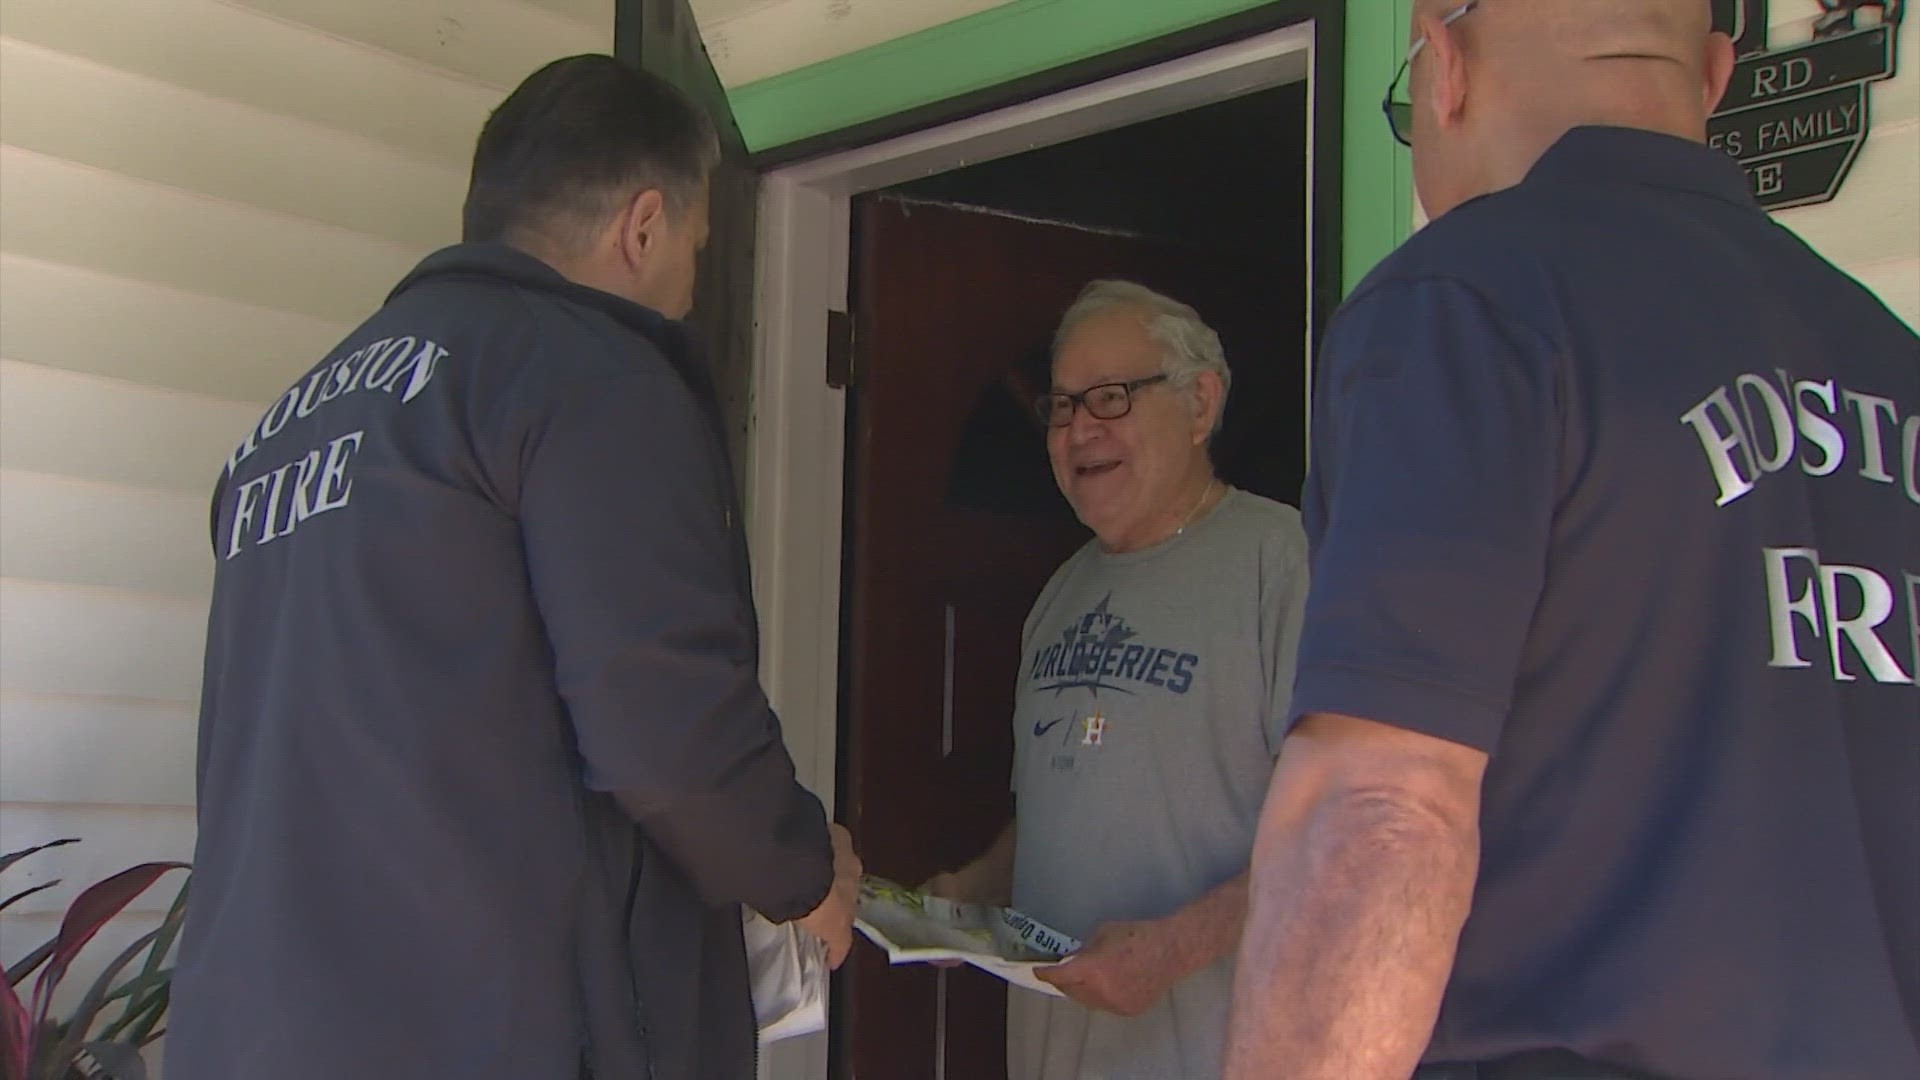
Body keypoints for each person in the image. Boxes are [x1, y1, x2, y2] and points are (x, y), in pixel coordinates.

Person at [1225, 2, 1920, 1078]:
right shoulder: (1890, 357)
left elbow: (1384, 804)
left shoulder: (1467, 303)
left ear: (1445, 64)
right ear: (1715, 76)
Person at [169, 55, 860, 1080]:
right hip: (489, 1030)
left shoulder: (283, 429)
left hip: (261, 1031)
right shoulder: (590, 373)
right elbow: (664, 728)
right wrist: (805, 871)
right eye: (697, 247)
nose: (686, 283)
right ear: (643, 225)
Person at [925, 280, 1310, 1080]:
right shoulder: (1058, 598)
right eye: (1062, 407)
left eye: (1110, 398)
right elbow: (1058, 810)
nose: (1079, 430)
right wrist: (973, 892)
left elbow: (1342, 837)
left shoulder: (1288, 565)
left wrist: (1176, 949)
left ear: (1202, 405)